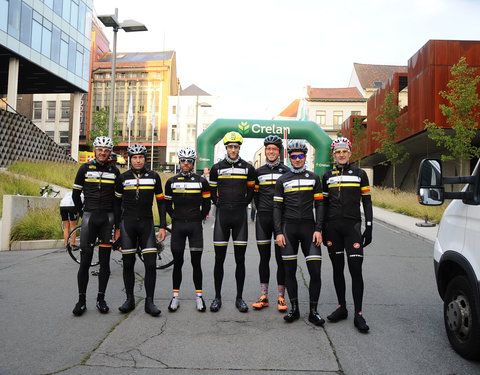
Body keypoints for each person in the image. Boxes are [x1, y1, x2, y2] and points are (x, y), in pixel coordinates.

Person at [322, 137, 372, 333]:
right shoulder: (327, 176)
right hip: (333, 229)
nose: (341, 155)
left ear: (350, 153)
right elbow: (323, 204)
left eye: (345, 151)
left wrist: (369, 226)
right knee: (337, 269)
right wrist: (323, 227)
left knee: (355, 270)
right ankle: (342, 307)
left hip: (353, 228)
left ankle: (358, 313)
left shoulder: (360, 174)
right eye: (338, 152)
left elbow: (367, 201)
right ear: (334, 155)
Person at [273, 139, 325, 325]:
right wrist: (278, 232)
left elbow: (319, 205)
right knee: (289, 271)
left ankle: (313, 311)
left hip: (309, 229)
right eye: (293, 156)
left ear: (305, 157)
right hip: (288, 229)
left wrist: (319, 229)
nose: (297, 159)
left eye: (300, 156)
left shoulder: (314, 178)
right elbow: (277, 208)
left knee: (316, 272)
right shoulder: (282, 180)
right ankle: (294, 309)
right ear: (288, 157)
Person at [114, 144, 166, 317]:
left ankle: (149, 302)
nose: (138, 160)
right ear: (130, 159)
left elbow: (161, 202)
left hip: (147, 224)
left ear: (145, 159)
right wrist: (116, 230)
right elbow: (116, 205)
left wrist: (163, 226)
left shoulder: (154, 177)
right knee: (128, 264)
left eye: (141, 157)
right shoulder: (122, 178)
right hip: (127, 224)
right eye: (134, 157)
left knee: (150, 264)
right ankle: (129, 300)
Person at [71, 136, 120, 316]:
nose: (103, 152)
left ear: (110, 152)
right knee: (85, 261)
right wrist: (82, 212)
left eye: (106, 150)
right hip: (90, 218)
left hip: (107, 219)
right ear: (95, 150)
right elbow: (76, 194)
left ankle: (101, 299)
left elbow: (118, 201)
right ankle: (81, 300)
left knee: (105, 262)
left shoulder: (115, 171)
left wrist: (118, 224)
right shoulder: (84, 168)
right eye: (100, 149)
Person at [209, 131, 256, 313]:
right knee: (218, 260)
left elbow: (251, 190)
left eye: (236, 147)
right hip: (222, 217)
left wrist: (243, 203)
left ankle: (239, 298)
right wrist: (218, 203)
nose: (233, 150)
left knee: (240, 260)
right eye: (230, 147)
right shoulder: (217, 168)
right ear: (226, 148)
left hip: (240, 219)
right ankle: (217, 297)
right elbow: (212, 191)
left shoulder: (248, 168)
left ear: (239, 148)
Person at [164, 147, 211, 312]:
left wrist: (199, 217)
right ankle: (175, 297)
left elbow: (206, 204)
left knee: (196, 263)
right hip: (178, 226)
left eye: (189, 161)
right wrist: (174, 216)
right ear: (179, 161)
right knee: (178, 263)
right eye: (183, 160)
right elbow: (167, 204)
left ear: (193, 163)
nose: (186, 163)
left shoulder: (201, 181)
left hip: (194, 226)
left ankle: (199, 296)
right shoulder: (171, 182)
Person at [251, 135, 289, 312]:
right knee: (264, 258)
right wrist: (263, 210)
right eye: (268, 149)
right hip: (264, 218)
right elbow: (256, 196)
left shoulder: (287, 171)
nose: (271, 151)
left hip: (281, 220)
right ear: (265, 151)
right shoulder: (259, 172)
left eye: (274, 148)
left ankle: (281, 297)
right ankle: (264, 295)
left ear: (279, 151)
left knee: (281, 259)